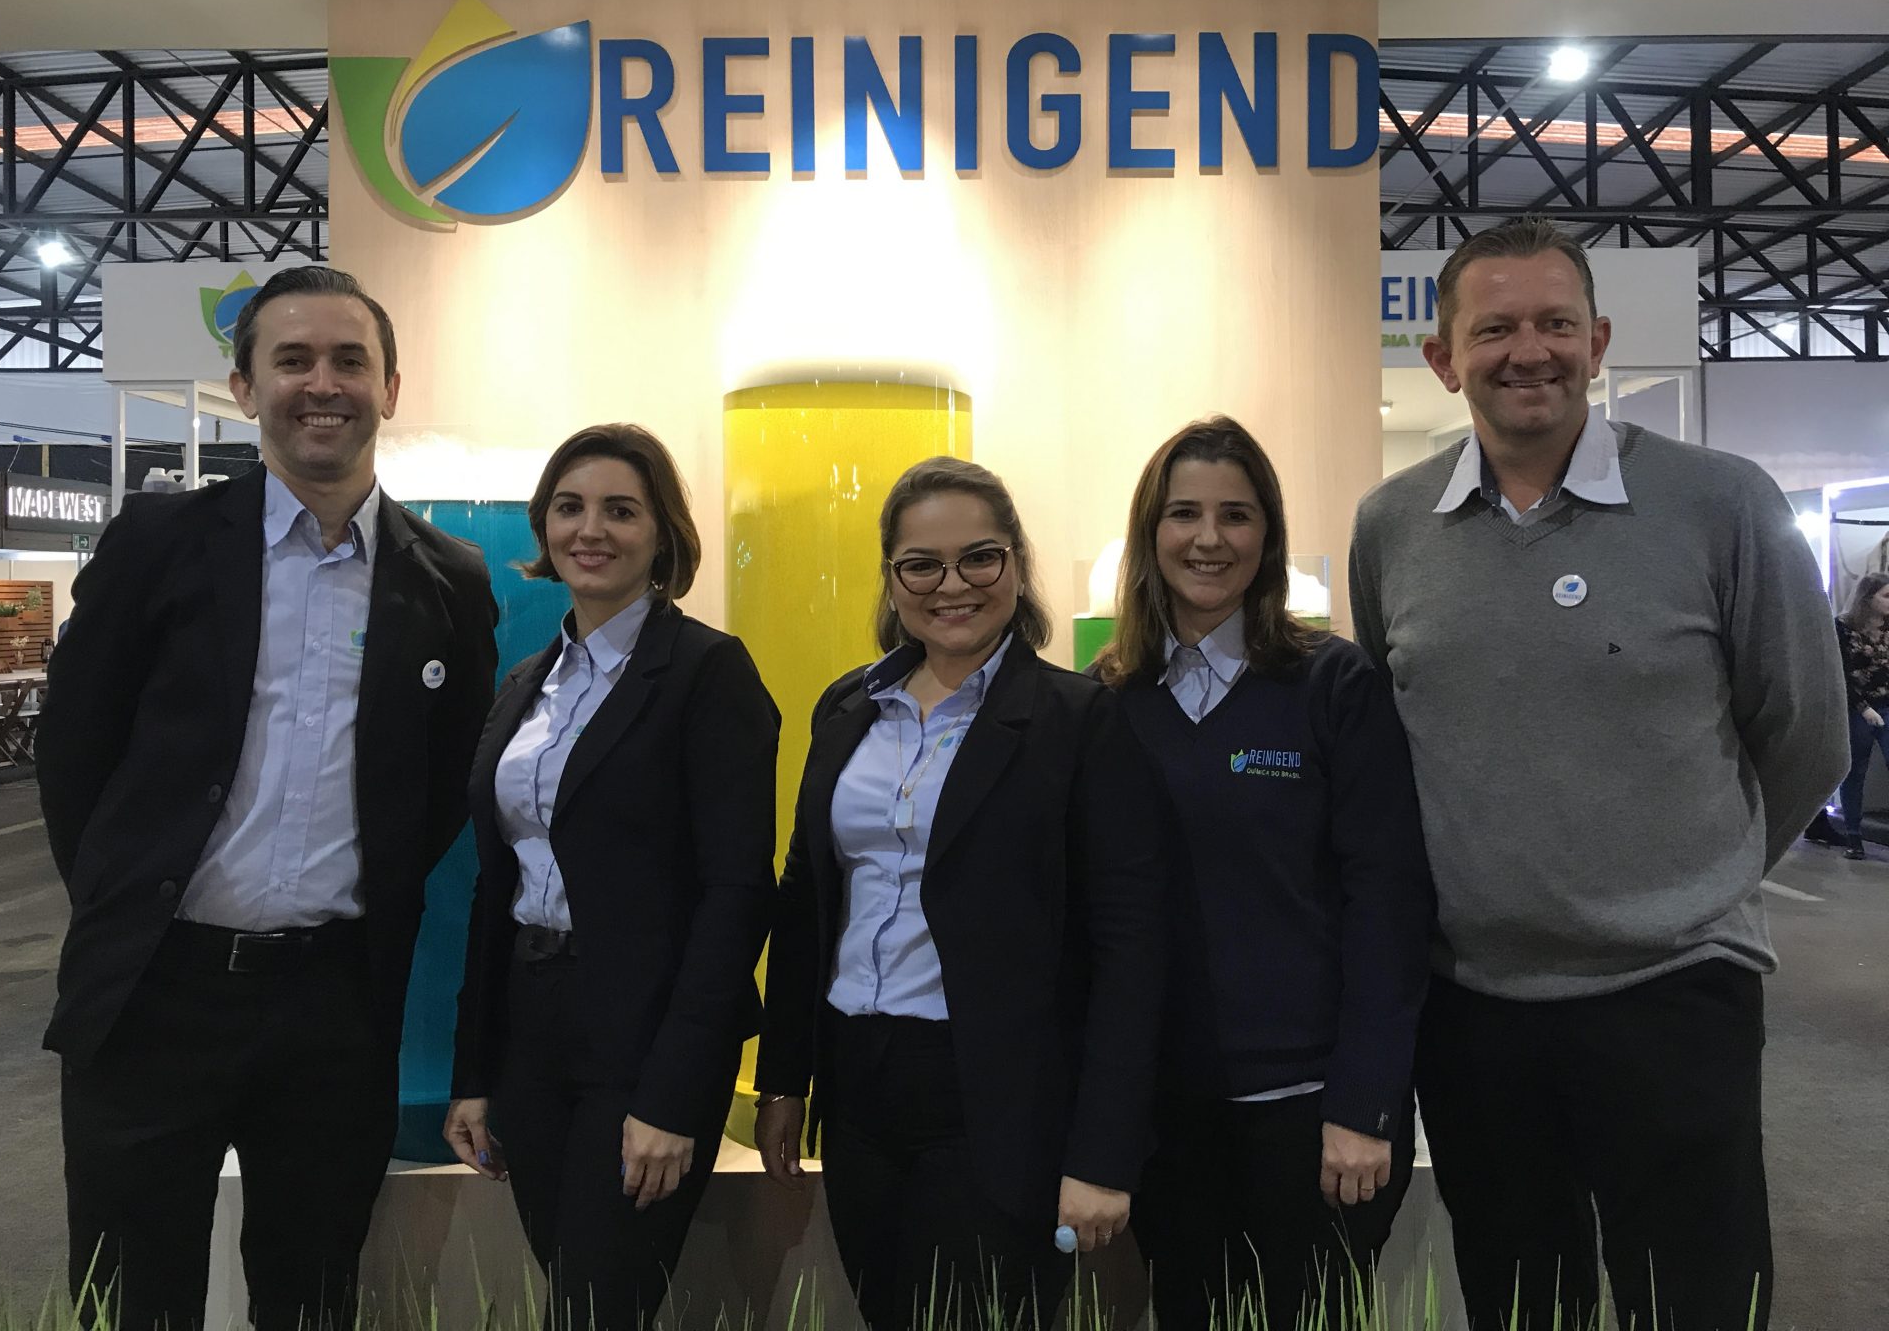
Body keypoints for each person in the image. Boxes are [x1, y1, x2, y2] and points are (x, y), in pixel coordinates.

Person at [1347, 216, 1848, 1331]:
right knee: (1520, 1298)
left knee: (1697, 1299)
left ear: (1599, 341)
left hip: (1675, 992)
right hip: (1474, 1008)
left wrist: (1699, 883)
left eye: (1555, 324)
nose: (1528, 351)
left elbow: (1809, 735)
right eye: (1495, 330)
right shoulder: (1390, 528)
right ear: (1443, 358)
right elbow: (1393, 740)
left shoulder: (1724, 503)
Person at [36, 265, 499, 1331]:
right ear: (245, 388)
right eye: (292, 360)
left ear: (390, 387)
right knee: (130, 1297)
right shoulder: (157, 545)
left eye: (349, 360)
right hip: (154, 995)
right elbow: (75, 753)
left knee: (313, 1294)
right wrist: (126, 899)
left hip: (332, 1008)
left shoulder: (449, 580)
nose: (321, 384)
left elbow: (438, 791)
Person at [753, 456, 1165, 1331]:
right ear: (891, 578)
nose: (952, 586)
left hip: (994, 1097)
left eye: (979, 557)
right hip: (859, 1085)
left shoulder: (1078, 721)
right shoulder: (848, 708)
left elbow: (1131, 950)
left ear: (1016, 563)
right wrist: (784, 1078)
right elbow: (807, 897)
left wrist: (1103, 1152)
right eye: (921, 565)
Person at [1095, 416, 1432, 1330]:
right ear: (1149, 533)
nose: (1208, 539)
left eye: (1236, 515)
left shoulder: (1334, 685)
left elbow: (1388, 905)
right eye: (1184, 514)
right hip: (1170, 1117)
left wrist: (1366, 1104)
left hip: (1312, 1115)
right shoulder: (1107, 698)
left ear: (1268, 536)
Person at [442, 424, 780, 1331]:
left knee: (597, 1305)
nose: (590, 530)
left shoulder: (707, 672)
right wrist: (473, 1072)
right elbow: (496, 885)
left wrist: (673, 1093)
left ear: (662, 534)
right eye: (570, 507)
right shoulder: (528, 684)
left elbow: (737, 894)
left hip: (645, 1035)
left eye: (621, 511)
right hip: (531, 1029)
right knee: (570, 1291)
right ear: (544, 526)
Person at [1834, 571, 1889, 859]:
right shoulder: (1844, 628)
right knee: (1855, 770)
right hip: (1857, 706)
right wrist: (1862, 708)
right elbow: (1840, 674)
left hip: (1887, 704)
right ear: (1868, 598)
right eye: (1886, 596)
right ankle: (1853, 836)